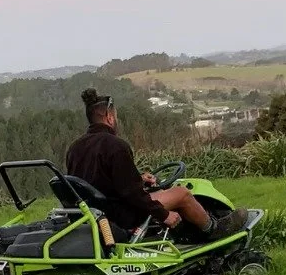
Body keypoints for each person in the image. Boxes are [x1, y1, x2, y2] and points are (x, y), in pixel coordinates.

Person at [66, 88, 248, 240]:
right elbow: (132, 194)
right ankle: (213, 230)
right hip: (121, 214)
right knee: (182, 193)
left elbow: (97, 181)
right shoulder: (116, 146)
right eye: (116, 116)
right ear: (109, 116)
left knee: (160, 193)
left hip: (98, 213)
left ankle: (184, 233)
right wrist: (164, 215)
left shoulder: (74, 148)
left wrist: (138, 179)